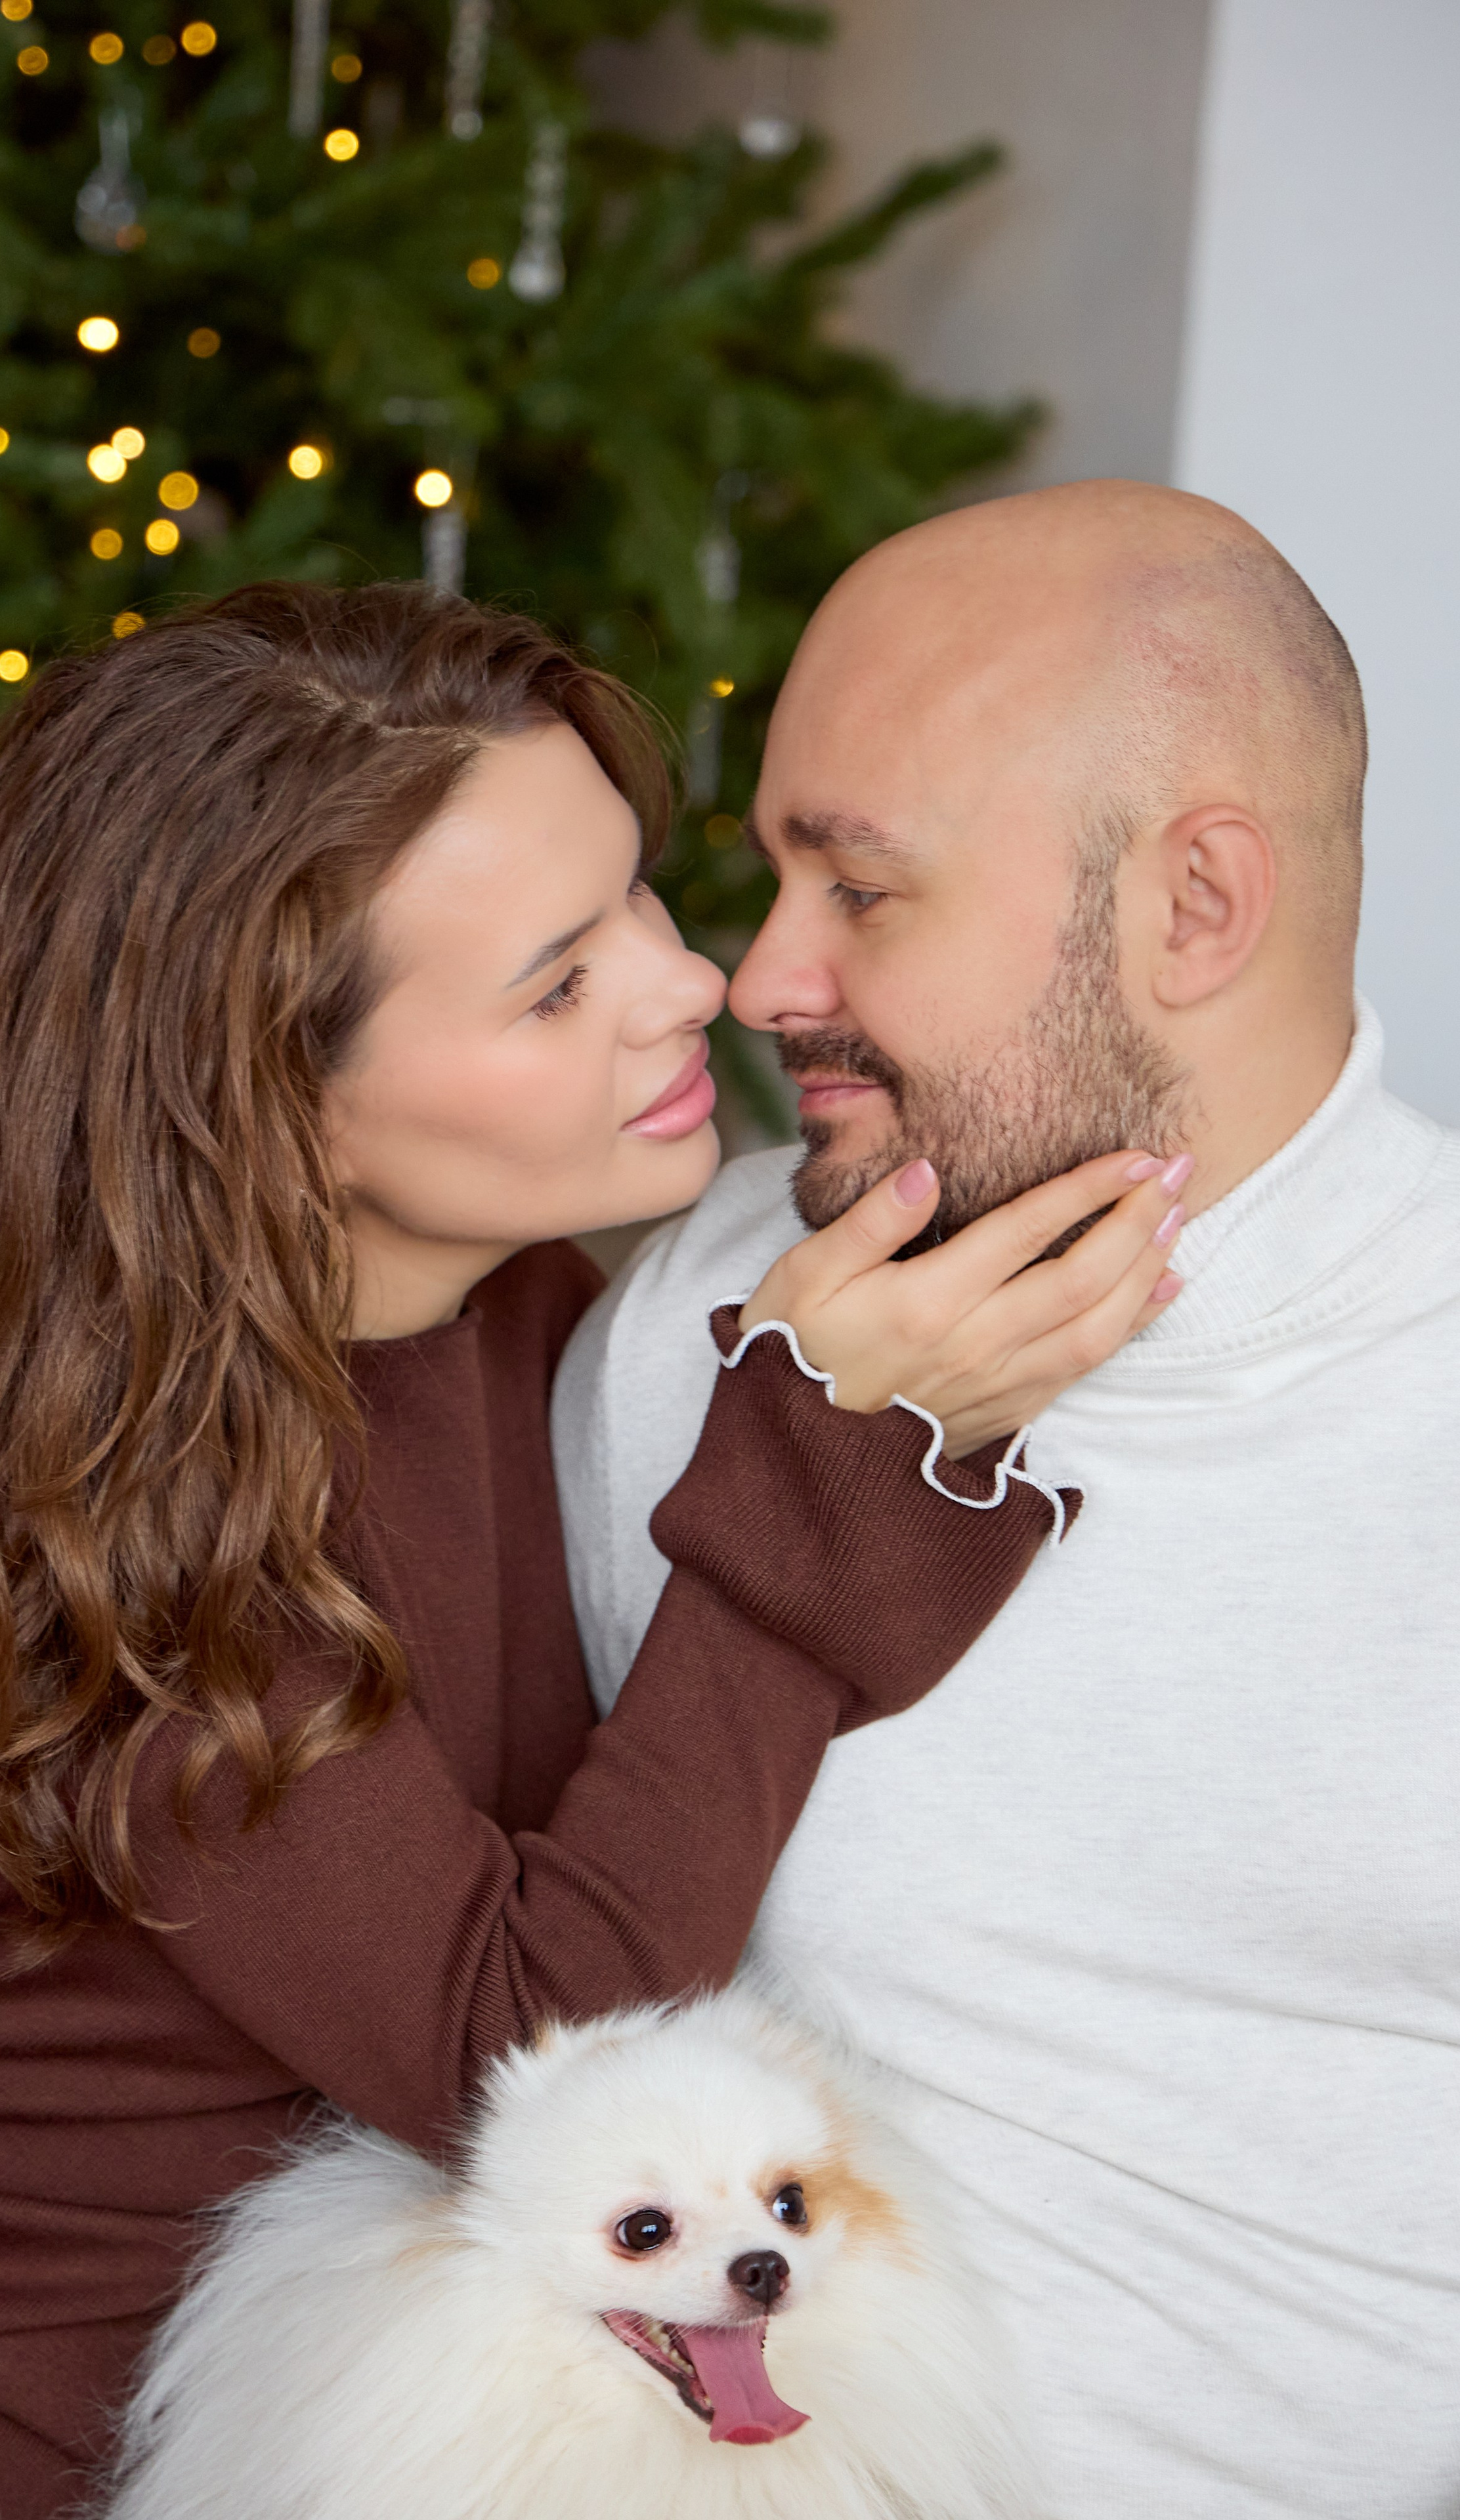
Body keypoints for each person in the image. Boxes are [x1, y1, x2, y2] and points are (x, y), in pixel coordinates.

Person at [0, 580, 1179, 2520]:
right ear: (270, 1104)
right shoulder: (102, 1476)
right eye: (554, 984)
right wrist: (828, 1463)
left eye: (633, 898)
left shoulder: (509, 1311)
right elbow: (526, 2065)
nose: (689, 985)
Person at [554, 480, 1460, 2520]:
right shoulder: (696, 1324)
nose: (758, 979)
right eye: (771, 877)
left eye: (859, 891)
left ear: (1195, 907)